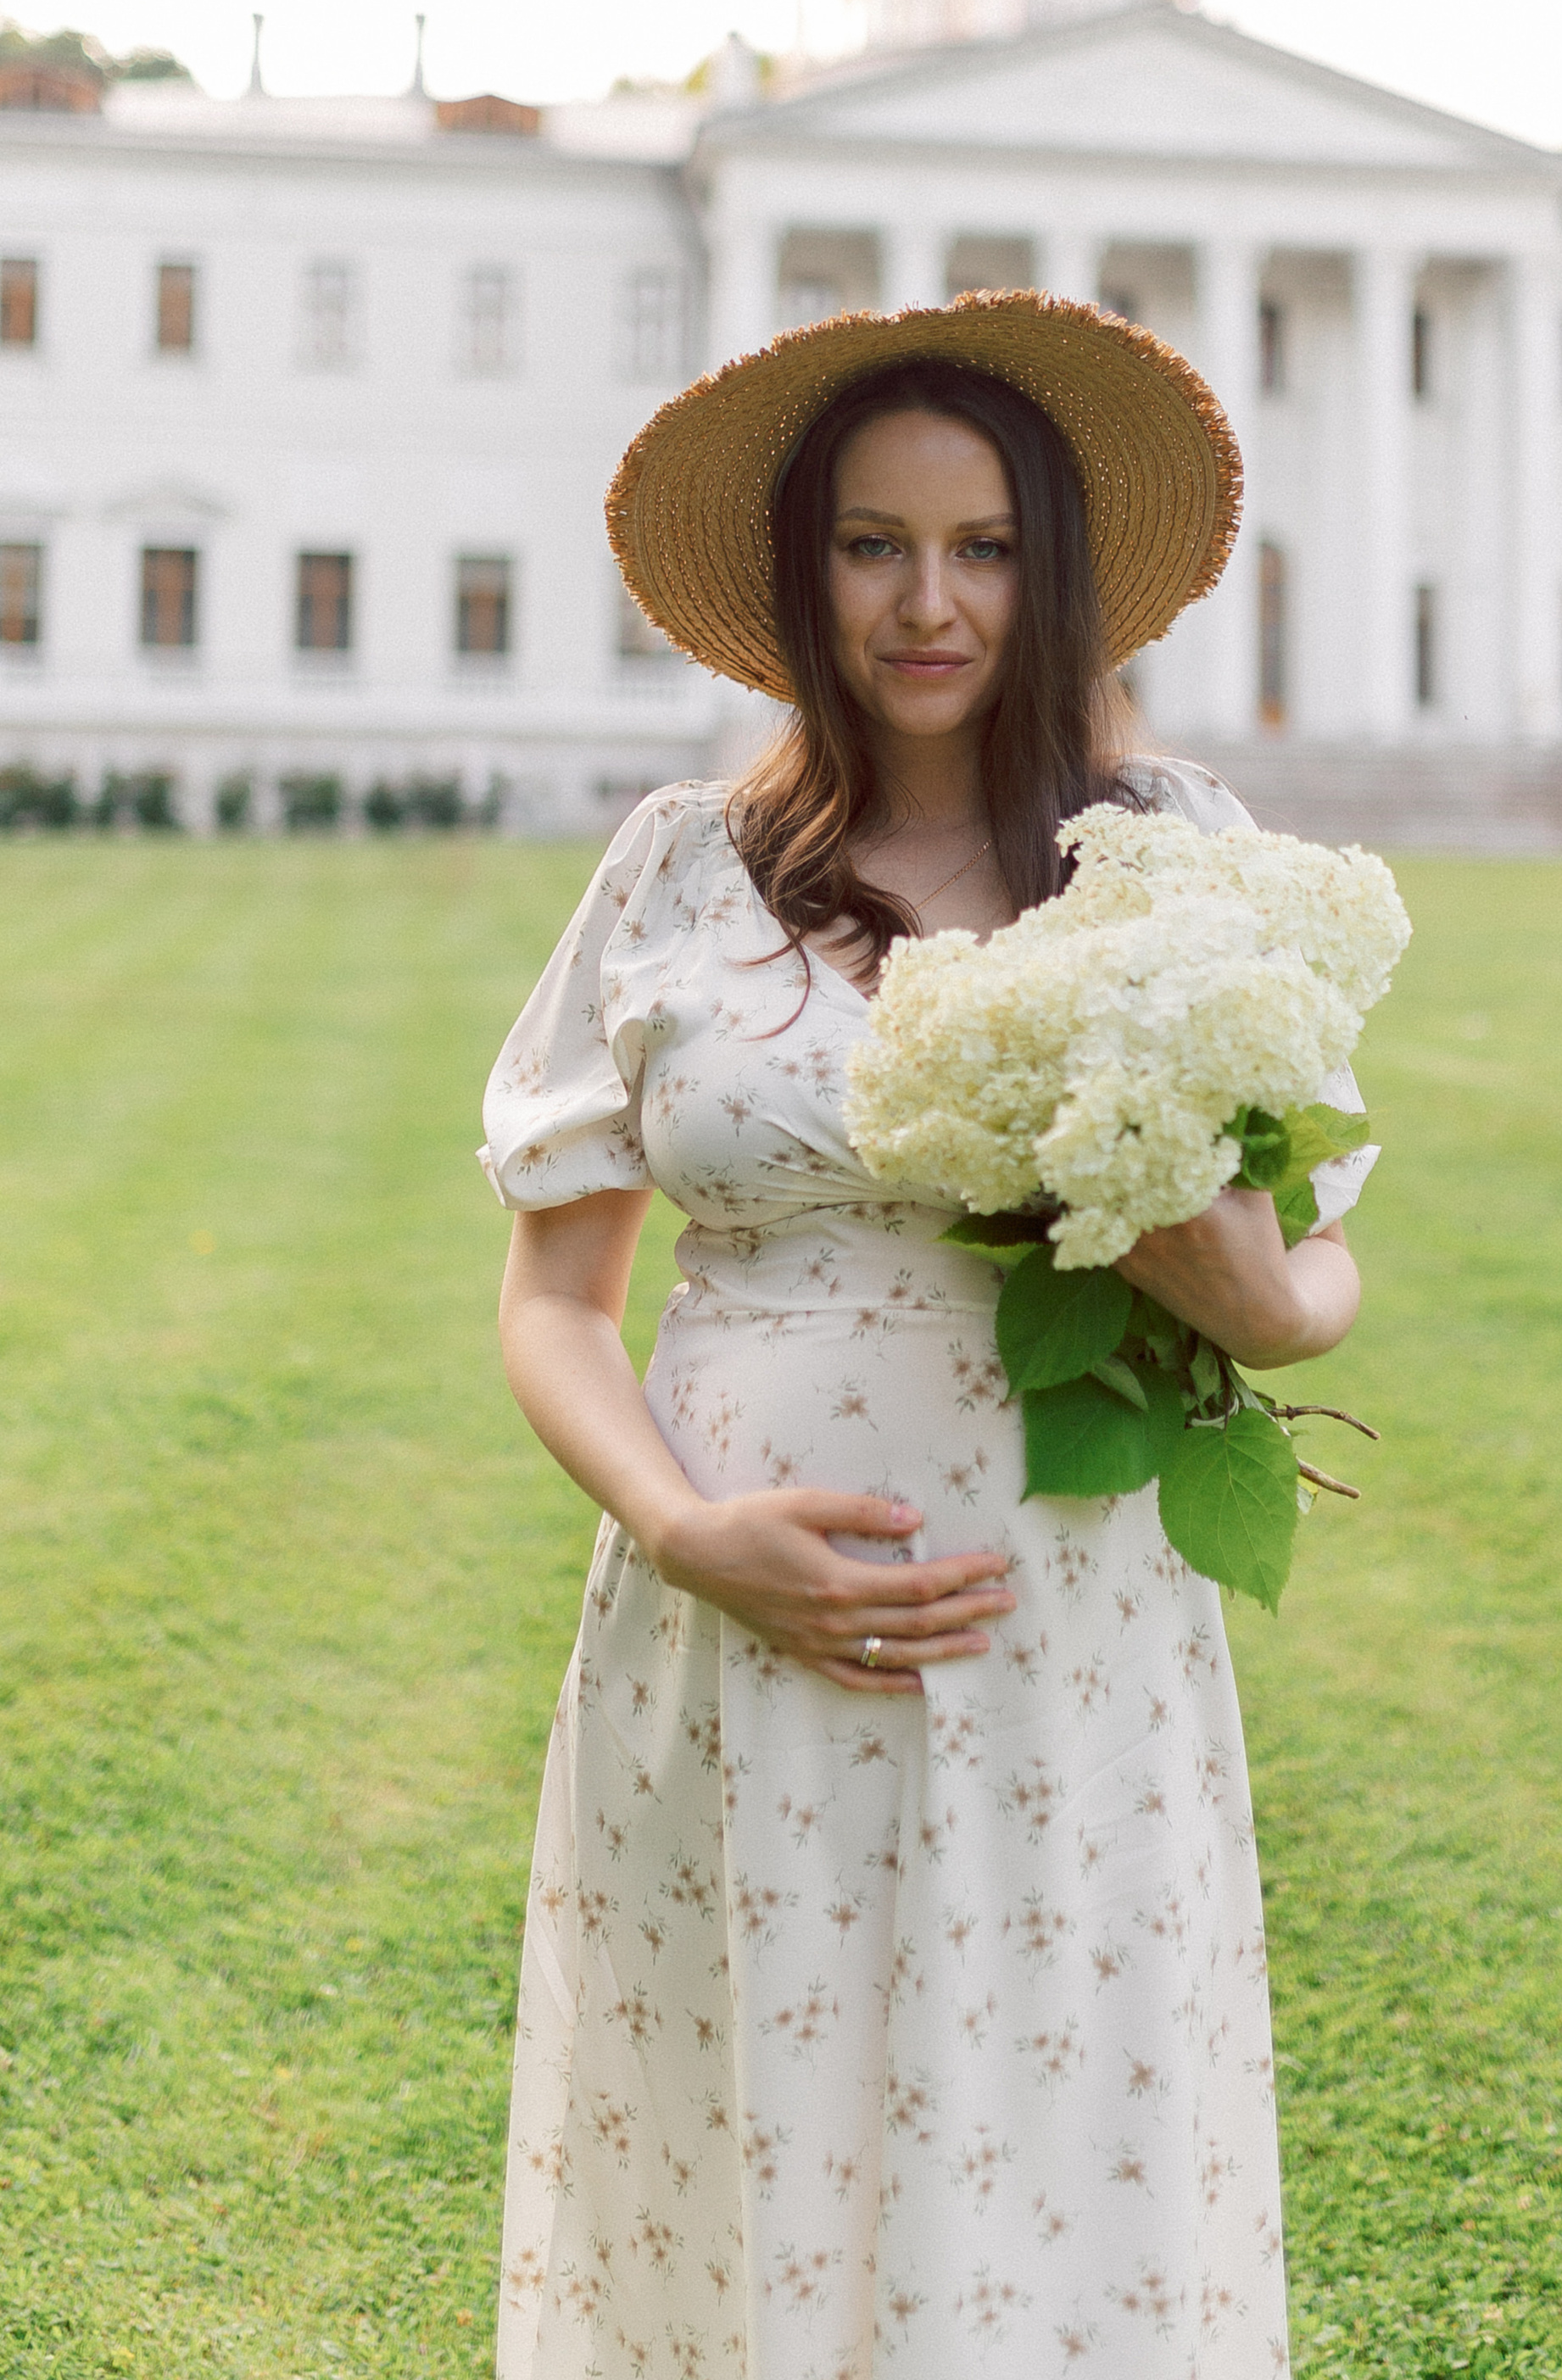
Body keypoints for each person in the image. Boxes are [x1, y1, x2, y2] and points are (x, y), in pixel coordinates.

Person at [481, 292, 1375, 2377]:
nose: (926, 599)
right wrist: (685, 1528)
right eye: (872, 544)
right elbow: (551, 1297)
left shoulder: (1162, 860)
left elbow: (1312, 1272)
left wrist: (1252, 1299)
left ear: (1046, 572)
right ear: (804, 575)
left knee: (1048, 2148)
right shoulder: (679, 869)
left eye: (978, 547)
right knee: (737, 2140)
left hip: (1058, 1617)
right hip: (723, 1628)